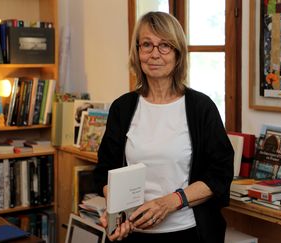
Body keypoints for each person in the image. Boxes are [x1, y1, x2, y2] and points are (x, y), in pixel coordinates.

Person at [93, 11, 234, 243]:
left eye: (165, 46)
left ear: (178, 54)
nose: (154, 54)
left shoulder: (201, 107)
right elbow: (104, 170)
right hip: (134, 234)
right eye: (147, 45)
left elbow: (220, 174)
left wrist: (168, 203)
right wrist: (118, 213)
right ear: (137, 53)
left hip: (188, 233)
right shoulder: (123, 107)